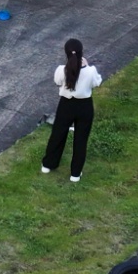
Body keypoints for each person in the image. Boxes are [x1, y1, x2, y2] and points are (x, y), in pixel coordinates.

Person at [41, 38, 101, 181]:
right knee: (81, 140)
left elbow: (57, 82)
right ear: (81, 53)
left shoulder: (62, 70)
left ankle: (48, 165)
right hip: (84, 106)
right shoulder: (90, 71)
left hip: (66, 104)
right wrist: (87, 66)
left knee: (57, 135)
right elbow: (97, 82)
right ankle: (75, 174)